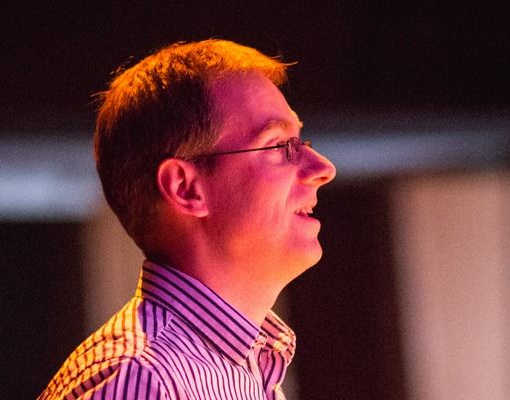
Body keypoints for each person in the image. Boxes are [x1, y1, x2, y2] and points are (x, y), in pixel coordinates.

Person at [38, 39, 336, 400]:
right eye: (278, 145)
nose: (324, 168)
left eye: (301, 141)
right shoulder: (142, 380)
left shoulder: (241, 368)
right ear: (186, 188)